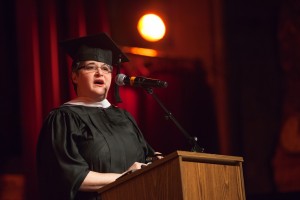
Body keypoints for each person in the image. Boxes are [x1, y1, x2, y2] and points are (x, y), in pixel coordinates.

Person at [36, 33, 162, 200]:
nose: (99, 73)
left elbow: (147, 159)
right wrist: (125, 176)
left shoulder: (124, 117)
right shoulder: (63, 119)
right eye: (90, 67)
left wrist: (160, 162)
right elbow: (70, 177)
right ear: (74, 75)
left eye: (106, 68)